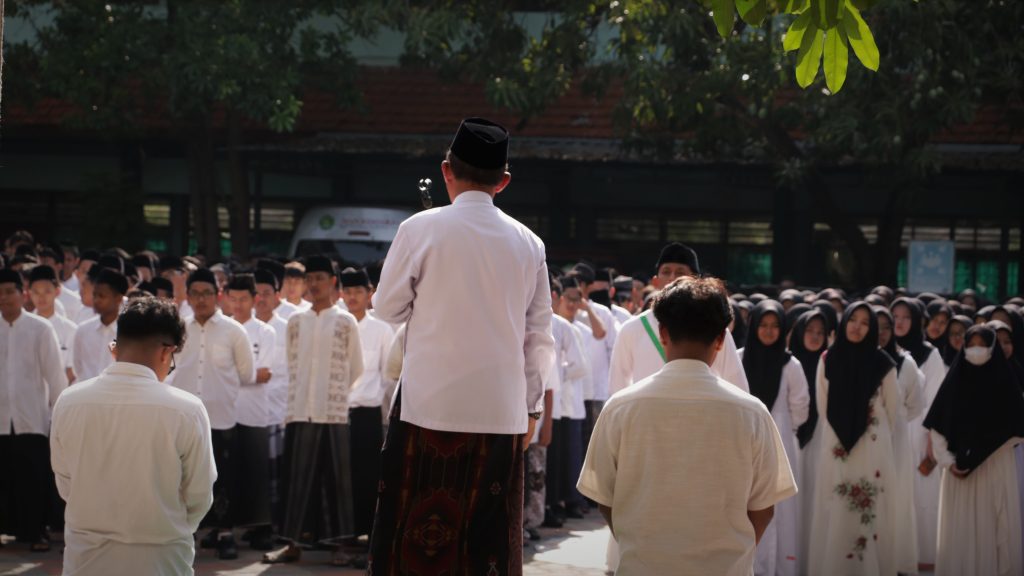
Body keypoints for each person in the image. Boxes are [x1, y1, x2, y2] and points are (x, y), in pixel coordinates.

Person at [368, 118, 555, 574]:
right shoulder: (530, 243)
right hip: (500, 412)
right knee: (486, 543)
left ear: (446, 170)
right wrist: (532, 409)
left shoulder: (420, 228)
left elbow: (386, 310)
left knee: (410, 541)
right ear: (503, 182)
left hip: (427, 406)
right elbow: (539, 338)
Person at [577, 276, 797, 575]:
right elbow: (764, 508)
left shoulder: (620, 407)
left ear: (663, 333)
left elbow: (603, 496)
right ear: (721, 339)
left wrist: (641, 544)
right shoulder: (752, 412)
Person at [49, 296, 217, 575]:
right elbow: (199, 492)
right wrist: (167, 526)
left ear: (114, 348)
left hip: (87, 558)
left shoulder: (69, 401)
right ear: (167, 352)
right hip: (161, 558)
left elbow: (66, 483)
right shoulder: (186, 409)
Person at [263, 255, 364, 567]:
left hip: (333, 412)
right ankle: (292, 544)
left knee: (337, 482)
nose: (314, 284)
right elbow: (292, 363)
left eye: (320, 278)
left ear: (333, 282)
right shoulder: (296, 321)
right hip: (299, 410)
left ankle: (341, 547)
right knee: (296, 479)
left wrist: (332, 394)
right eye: (310, 279)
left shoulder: (346, 321)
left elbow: (355, 368)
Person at [167, 268, 255, 560]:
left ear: (218, 295)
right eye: (195, 293)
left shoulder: (234, 330)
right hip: (185, 420)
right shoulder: (178, 329)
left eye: (207, 293)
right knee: (182, 477)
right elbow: (168, 367)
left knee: (223, 479)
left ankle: (225, 533)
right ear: (188, 297)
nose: (201, 299)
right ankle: (186, 533)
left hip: (222, 418)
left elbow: (246, 373)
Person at [924, 324, 1024, 576]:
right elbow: (937, 426)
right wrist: (948, 461)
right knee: (961, 530)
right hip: (957, 473)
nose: (977, 350)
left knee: (990, 528)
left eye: (983, 345)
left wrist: (984, 453)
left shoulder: (1006, 384)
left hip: (994, 468)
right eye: (972, 345)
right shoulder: (954, 383)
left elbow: (1015, 429)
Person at [808, 303, 899, 575]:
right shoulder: (827, 359)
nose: (857, 327)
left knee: (868, 509)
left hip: (872, 447)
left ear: (872, 330)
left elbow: (891, 411)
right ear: (844, 321)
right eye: (852, 320)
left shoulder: (884, 364)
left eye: (865, 323)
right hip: (835, 443)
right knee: (835, 505)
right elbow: (823, 405)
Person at [609, 242, 749, 396]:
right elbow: (617, 387)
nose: (672, 278)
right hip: (647, 416)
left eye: (680, 272)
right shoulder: (632, 329)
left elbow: (737, 385)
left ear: (695, 280)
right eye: (666, 271)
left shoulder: (712, 326)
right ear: (655, 281)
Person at [739, 300, 809, 576]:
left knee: (778, 505)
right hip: (743, 438)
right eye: (763, 326)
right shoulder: (739, 356)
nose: (768, 332)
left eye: (775, 326)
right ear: (754, 326)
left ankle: (778, 567)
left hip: (779, 437)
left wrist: (783, 427)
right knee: (744, 500)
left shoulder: (790, 363)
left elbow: (801, 405)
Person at [0, 268, 68, 552]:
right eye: (0, 293)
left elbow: (55, 376)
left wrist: (61, 415)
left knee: (33, 476)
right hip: (2, 418)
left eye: (9, 292)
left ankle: (36, 531)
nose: (4, 298)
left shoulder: (40, 328)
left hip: (32, 418)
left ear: (22, 294)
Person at [339, 266, 394, 549]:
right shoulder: (335, 324)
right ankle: (343, 534)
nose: (352, 297)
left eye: (358, 291)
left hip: (368, 413)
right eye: (347, 291)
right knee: (340, 476)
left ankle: (370, 534)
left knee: (368, 476)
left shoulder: (382, 329)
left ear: (370, 293)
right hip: (337, 414)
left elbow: (387, 375)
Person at [891, 296, 946, 570]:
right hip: (893, 430)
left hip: (921, 431)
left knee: (922, 496)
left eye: (905, 317)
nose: (899, 322)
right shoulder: (886, 351)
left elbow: (936, 399)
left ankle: (922, 557)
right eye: (895, 316)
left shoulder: (930, 354)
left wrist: (930, 444)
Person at [224, 273, 276, 551]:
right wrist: (244, 375)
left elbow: (264, 374)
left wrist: (228, 375)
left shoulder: (265, 331)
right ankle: (225, 528)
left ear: (254, 300)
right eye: (233, 299)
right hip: (225, 413)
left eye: (243, 299)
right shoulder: (222, 330)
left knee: (256, 473)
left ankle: (260, 528)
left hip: (255, 412)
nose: (238, 304)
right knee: (228, 474)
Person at [875, 305, 927, 574]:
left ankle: (895, 562)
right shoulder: (861, 359)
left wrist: (893, 422)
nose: (882, 332)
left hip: (897, 440)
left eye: (887, 327)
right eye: (878, 326)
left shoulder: (905, 362)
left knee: (896, 500)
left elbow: (916, 405)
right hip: (867, 441)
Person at [71, 268, 127, 382]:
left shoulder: (128, 335)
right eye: (94, 295)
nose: (96, 300)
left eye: (101, 296)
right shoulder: (83, 330)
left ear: (118, 299)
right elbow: (78, 368)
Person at [28, 265, 78, 385]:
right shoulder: (22, 327)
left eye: (47, 291)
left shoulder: (70, 329)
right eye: (36, 292)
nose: (41, 297)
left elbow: (71, 372)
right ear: (29, 293)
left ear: (57, 291)